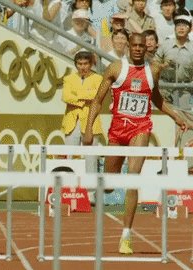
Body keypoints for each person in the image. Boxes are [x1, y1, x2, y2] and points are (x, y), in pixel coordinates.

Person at [83, 32, 189, 255]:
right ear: (129, 46)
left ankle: (126, 235)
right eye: (135, 45)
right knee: (110, 185)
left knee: (132, 177)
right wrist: (88, 129)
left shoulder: (154, 70)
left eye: (142, 45)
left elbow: (156, 97)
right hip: (117, 130)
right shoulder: (115, 68)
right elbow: (97, 100)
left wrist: (175, 116)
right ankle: (109, 186)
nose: (139, 49)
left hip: (140, 129)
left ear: (147, 47)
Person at [61, 51, 103, 174]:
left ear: (90, 64)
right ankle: (69, 189)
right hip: (72, 122)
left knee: (91, 159)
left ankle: (90, 191)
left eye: (85, 63)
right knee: (69, 158)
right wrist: (84, 99)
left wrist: (77, 95)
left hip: (91, 122)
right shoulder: (68, 78)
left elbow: (97, 96)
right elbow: (65, 97)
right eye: (79, 64)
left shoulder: (98, 78)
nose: (82, 67)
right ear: (75, 64)